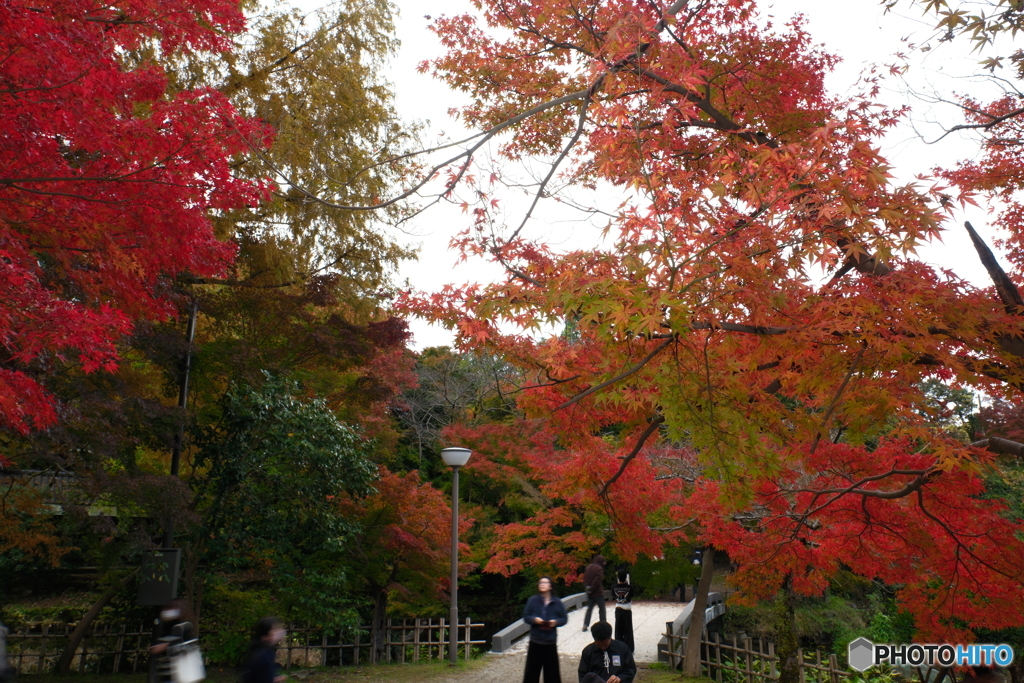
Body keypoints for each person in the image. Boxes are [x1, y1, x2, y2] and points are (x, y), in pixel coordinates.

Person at [522, 577, 569, 683]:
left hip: (550, 642)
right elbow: (526, 616)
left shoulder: (557, 602)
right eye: (540, 582)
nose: (542, 584)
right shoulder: (533, 600)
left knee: (552, 674)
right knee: (531, 673)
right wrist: (535, 620)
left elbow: (564, 618)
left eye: (545, 582)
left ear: (550, 585)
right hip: (536, 640)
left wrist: (555, 622)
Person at [150, 599, 193, 683]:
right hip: (172, 673)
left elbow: (182, 643)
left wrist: (164, 646)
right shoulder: (170, 625)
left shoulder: (180, 626)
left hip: (178, 673)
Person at [242, 618, 286, 683]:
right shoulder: (263, 655)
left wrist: (275, 679)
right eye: (275, 630)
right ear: (265, 636)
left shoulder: (264, 650)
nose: (279, 632)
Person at [610, 570, 634, 653]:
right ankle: (629, 648)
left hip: (618, 608)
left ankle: (618, 647)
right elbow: (632, 595)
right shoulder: (629, 587)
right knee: (628, 630)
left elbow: (613, 595)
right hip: (627, 609)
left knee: (618, 629)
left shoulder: (614, 587)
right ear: (625, 577)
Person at [581, 555, 606, 632]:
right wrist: (592, 588)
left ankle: (585, 624)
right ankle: (603, 624)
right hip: (598, 593)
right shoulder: (599, 569)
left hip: (589, 593)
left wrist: (587, 588)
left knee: (589, 609)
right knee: (602, 609)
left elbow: (585, 578)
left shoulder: (588, 567)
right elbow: (597, 580)